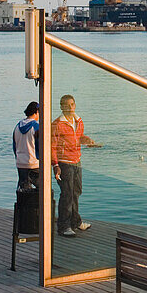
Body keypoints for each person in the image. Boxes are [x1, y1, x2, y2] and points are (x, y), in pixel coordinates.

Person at [51, 94, 95, 237]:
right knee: (67, 194)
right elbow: (52, 146)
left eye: (72, 104)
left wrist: (85, 139)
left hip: (77, 161)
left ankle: (75, 222)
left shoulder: (79, 121)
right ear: (61, 107)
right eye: (66, 105)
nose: (70, 107)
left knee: (76, 192)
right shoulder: (57, 124)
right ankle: (63, 226)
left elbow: (78, 138)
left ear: (75, 105)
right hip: (64, 164)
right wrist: (55, 165)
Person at [13, 102, 41, 190]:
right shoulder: (36, 127)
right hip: (34, 163)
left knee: (23, 190)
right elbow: (39, 146)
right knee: (42, 189)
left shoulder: (17, 127)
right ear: (36, 112)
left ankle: (22, 204)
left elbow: (15, 146)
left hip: (21, 163)